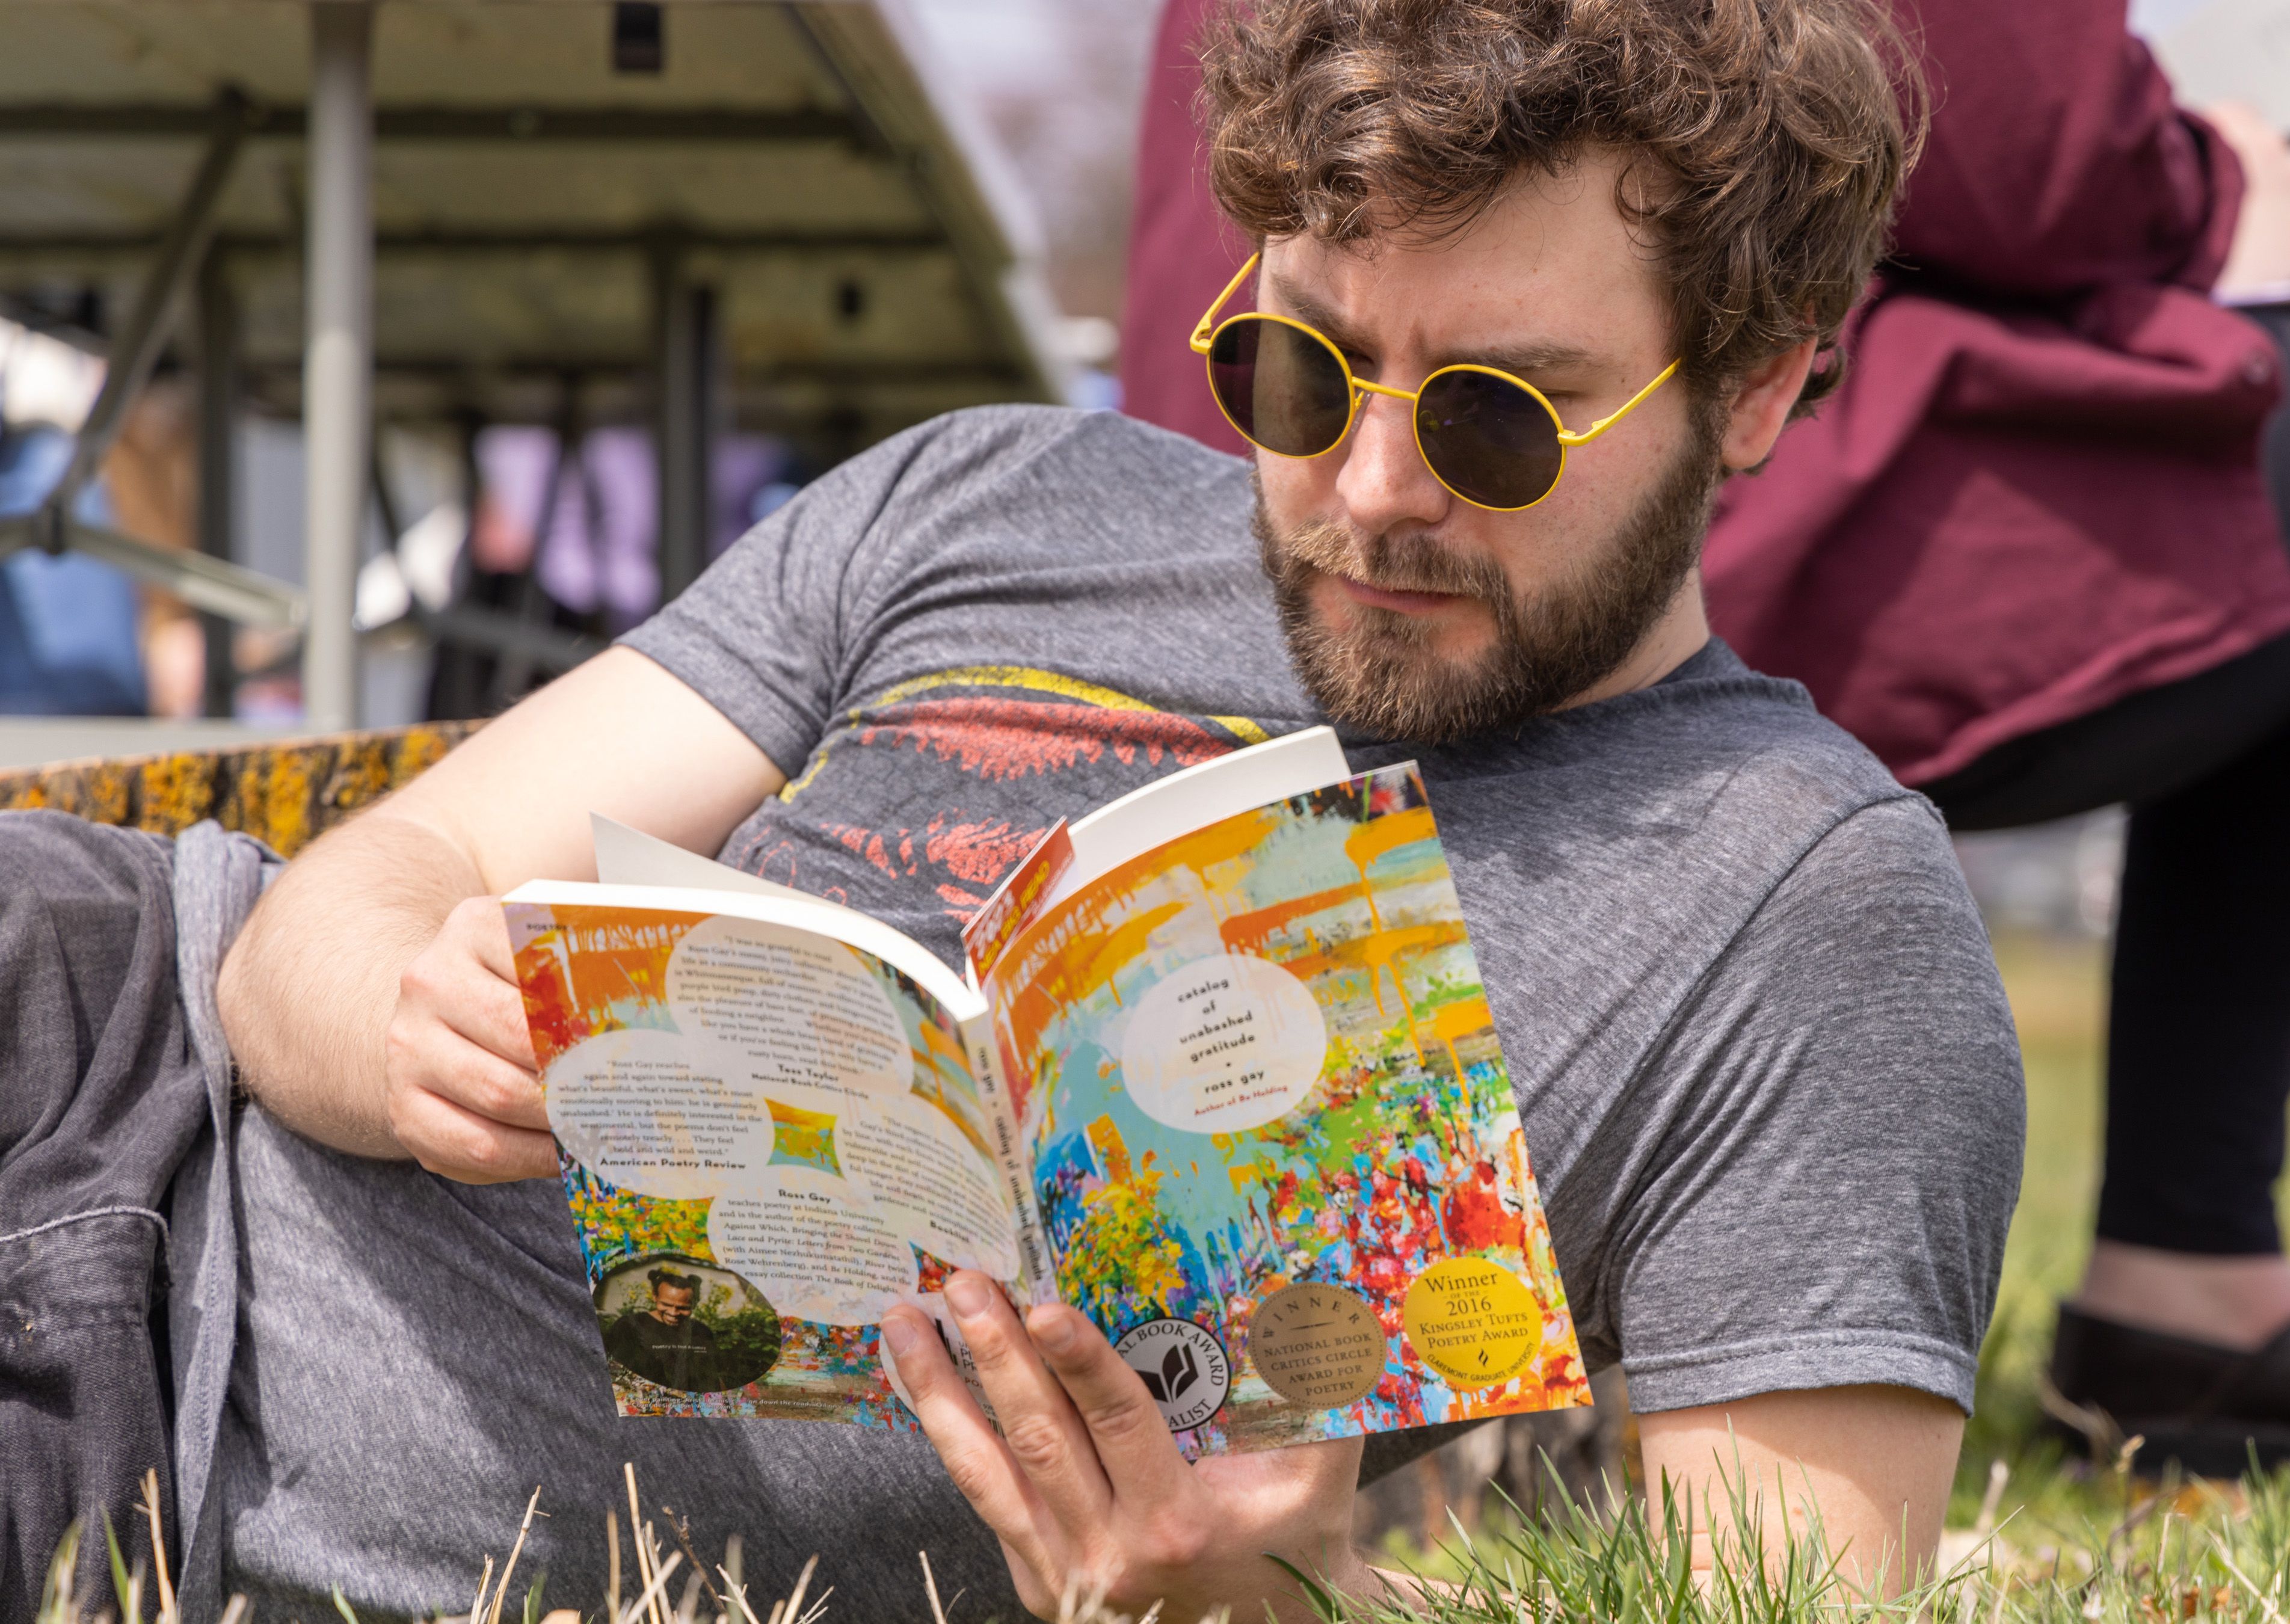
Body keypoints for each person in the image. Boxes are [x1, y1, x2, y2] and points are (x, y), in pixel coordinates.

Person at [210, 1, 2022, 1616]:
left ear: (1762, 382)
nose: (1373, 490)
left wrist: (1265, 1607)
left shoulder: (1803, 914)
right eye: (1298, 374)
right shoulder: (995, 492)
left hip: (150, 1408)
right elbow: (365, 881)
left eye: (1498, 419)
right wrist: (394, 1024)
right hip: (118, 1063)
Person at [1104, 0, 2290, 1472]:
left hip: (1244, 414)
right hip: (1588, 465)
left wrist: (1304, 378)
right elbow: (2021, 126)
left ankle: (2193, 1280)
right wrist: (2211, 189)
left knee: (2263, 476)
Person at [599, 1269, 737, 1394]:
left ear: (694, 1303)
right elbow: (613, 1372)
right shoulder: (629, 1326)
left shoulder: (702, 1332)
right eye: (666, 1304)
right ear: (655, 1296)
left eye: (683, 1308)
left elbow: (714, 1377)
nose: (673, 1313)